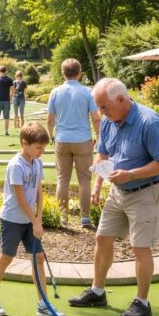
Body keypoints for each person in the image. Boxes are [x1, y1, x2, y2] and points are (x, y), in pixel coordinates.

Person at [68, 78, 159, 316]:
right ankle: (97, 291)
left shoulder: (150, 122)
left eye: (105, 107)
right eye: (100, 108)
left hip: (146, 191)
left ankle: (142, 303)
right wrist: (97, 184)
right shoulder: (108, 121)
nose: (101, 113)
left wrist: (132, 174)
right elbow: (103, 152)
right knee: (102, 238)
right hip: (118, 192)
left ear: (122, 100)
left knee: (140, 247)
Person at [0, 122, 66, 316]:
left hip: (30, 220)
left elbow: (38, 191)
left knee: (38, 258)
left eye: (43, 148)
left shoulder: (37, 163)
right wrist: (34, 221)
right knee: (6, 257)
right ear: (24, 143)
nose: (41, 152)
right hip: (12, 219)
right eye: (38, 148)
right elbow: (19, 197)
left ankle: (43, 304)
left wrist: (39, 218)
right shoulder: (15, 165)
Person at [47, 58, 101, 228]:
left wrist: (51, 135)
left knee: (62, 179)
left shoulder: (55, 92)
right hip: (83, 140)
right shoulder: (87, 92)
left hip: (62, 139)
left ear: (63, 73)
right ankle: (85, 218)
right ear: (80, 73)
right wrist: (99, 137)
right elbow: (96, 118)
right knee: (85, 180)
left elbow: (50, 120)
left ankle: (63, 217)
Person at [0, 66, 14, 136]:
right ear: (5, 71)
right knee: (6, 117)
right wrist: (10, 97)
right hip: (6, 101)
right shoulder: (10, 79)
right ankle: (6, 132)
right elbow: (13, 90)